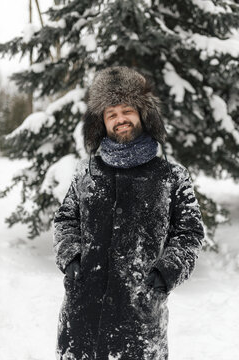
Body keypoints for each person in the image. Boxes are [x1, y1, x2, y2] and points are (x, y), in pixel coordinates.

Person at [53, 66, 205, 360]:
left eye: (127, 110)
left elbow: (190, 234)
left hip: (139, 324)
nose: (120, 119)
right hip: (81, 319)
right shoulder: (86, 173)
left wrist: (162, 276)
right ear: (102, 123)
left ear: (143, 115)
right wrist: (71, 258)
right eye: (111, 114)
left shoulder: (172, 177)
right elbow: (65, 220)